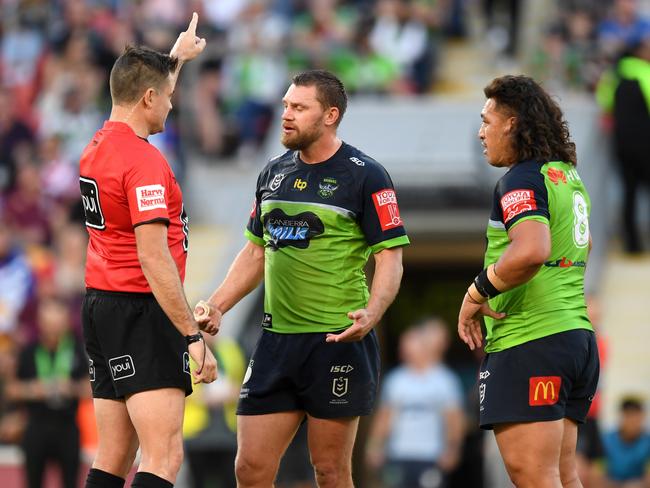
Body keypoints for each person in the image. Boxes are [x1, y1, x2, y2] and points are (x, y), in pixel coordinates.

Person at [195, 69, 409, 488]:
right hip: (275, 343)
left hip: (335, 341)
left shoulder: (366, 175)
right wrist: (218, 303)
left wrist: (374, 310)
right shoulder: (272, 174)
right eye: (285, 106)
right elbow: (255, 252)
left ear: (330, 115)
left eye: (298, 107)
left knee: (329, 472)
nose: (286, 115)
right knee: (249, 469)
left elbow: (390, 257)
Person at [78, 13, 217, 488]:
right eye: (169, 99)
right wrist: (192, 337)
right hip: (142, 308)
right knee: (163, 456)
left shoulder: (97, 146)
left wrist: (174, 59)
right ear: (149, 99)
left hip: (101, 305)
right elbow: (153, 257)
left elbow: (143, 89)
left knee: (113, 455)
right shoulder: (144, 163)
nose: (171, 108)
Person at [457, 75, 599, 488]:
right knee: (562, 477)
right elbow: (583, 245)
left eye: (486, 120)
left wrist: (476, 292)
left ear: (512, 122)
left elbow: (531, 250)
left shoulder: (521, 178)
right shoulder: (566, 176)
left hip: (532, 341)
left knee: (535, 477)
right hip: (574, 338)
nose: (481, 132)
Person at [366, 318, 465, 488]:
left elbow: (454, 420)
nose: (403, 348)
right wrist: (375, 446)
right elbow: (385, 417)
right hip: (398, 454)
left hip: (431, 456)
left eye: (409, 343)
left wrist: (453, 449)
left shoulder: (445, 380)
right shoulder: (396, 380)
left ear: (423, 346)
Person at [7, 297, 89, 488]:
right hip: (36, 426)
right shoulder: (29, 351)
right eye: (49, 323)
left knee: (71, 482)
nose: (53, 329)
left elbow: (91, 389)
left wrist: (71, 388)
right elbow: (11, 389)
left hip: (67, 427)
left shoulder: (77, 350)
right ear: (40, 323)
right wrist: (33, 390)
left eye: (58, 323)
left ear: (67, 323)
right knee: (33, 482)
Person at [595, 35, 650, 254]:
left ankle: (632, 244)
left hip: (621, 144)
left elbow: (604, 101)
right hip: (646, 144)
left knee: (629, 193)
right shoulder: (646, 72)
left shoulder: (613, 74)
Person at [602, 397, 650, 487]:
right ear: (621, 416)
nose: (633, 422)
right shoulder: (606, 440)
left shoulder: (647, 442)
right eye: (629, 416)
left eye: (637, 417)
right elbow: (597, 473)